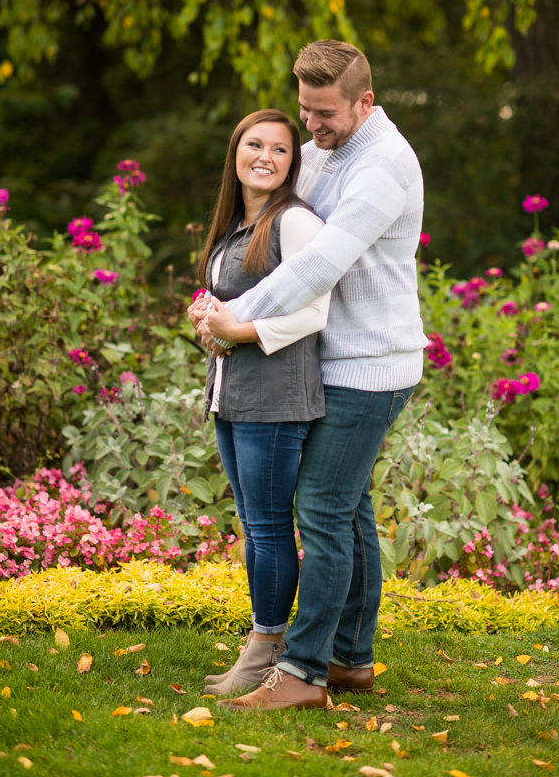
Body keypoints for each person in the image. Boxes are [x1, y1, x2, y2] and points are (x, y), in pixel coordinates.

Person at [189, 39, 427, 711]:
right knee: (347, 512)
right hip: (332, 359)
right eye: (305, 112)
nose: (312, 130)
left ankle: (300, 674)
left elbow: (316, 267)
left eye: (325, 115)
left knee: (320, 510)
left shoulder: (381, 166)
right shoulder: (327, 147)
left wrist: (236, 316)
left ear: (365, 101)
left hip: (368, 366)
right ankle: (349, 659)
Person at [194, 109, 330, 697]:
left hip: (277, 399)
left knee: (270, 529)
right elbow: (225, 301)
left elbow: (314, 313)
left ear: (290, 163)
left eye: (280, 149)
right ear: (236, 153)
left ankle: (266, 651)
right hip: (233, 395)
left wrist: (235, 331)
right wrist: (204, 316)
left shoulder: (294, 222)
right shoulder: (234, 226)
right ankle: (260, 643)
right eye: (255, 145)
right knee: (254, 527)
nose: (266, 157)